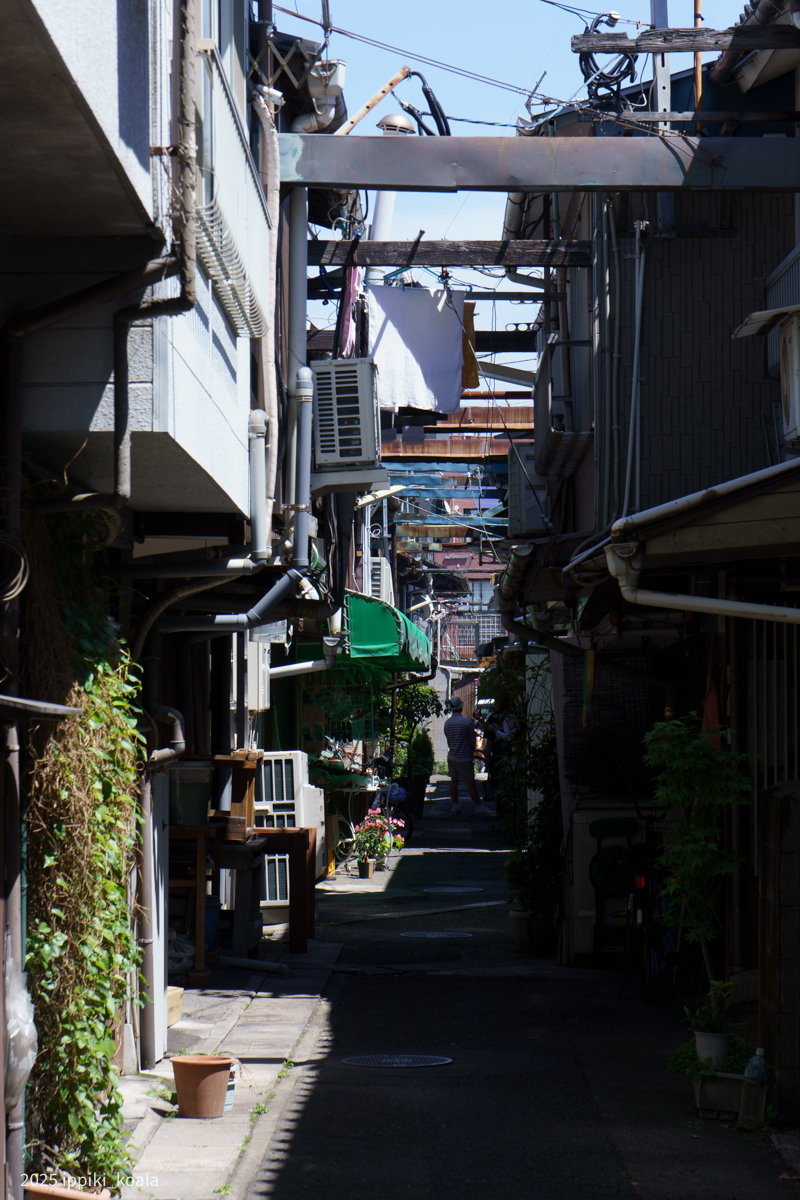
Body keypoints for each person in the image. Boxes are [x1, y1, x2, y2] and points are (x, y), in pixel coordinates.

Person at [443, 697, 492, 816]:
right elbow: (472, 741)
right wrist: (471, 752)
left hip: (452, 756)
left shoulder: (447, 723)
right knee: (470, 783)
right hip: (464, 757)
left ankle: (455, 806)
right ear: (461, 707)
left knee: (454, 781)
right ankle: (479, 806)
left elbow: (449, 740)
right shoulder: (467, 722)